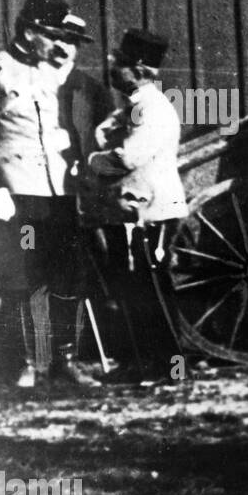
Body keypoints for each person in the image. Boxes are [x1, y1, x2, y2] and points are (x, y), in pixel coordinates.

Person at [0, 0, 109, 388]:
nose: (58, 44)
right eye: (52, 34)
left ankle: (63, 361)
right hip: (17, 192)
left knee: (65, 277)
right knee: (21, 276)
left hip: (60, 191)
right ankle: (21, 363)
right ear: (31, 30)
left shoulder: (54, 74)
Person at [79, 28, 188, 385]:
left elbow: (129, 157)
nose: (113, 71)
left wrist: (88, 163)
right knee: (136, 288)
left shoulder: (150, 108)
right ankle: (142, 362)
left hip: (149, 213)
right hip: (134, 211)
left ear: (139, 70)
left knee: (150, 290)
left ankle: (168, 367)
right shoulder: (134, 107)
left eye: (120, 65)